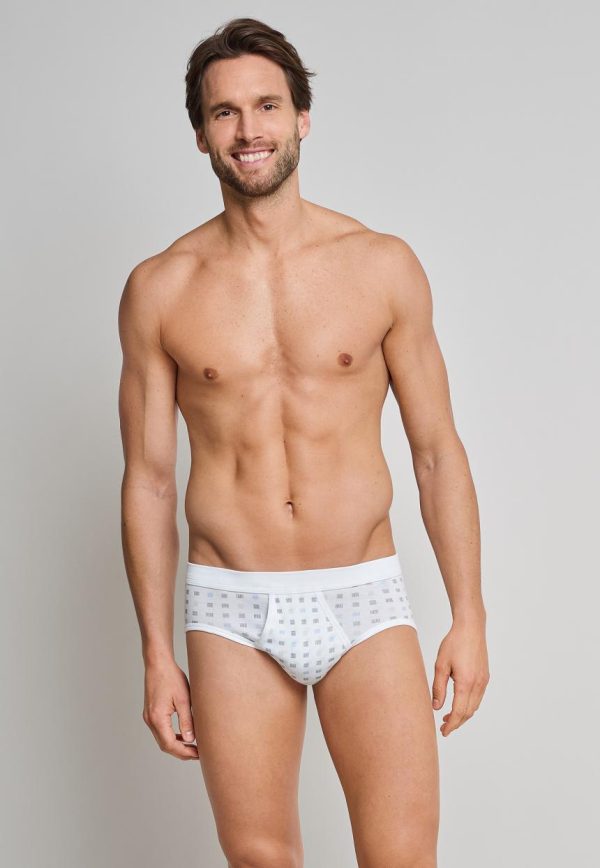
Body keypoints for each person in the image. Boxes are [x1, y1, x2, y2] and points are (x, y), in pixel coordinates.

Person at [118, 16, 489, 868]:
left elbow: (437, 453)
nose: (248, 130)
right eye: (224, 112)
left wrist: (469, 616)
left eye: (267, 106)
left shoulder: (381, 265)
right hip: (231, 605)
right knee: (261, 862)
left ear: (302, 118)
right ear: (201, 133)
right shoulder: (160, 289)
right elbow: (147, 480)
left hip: (362, 594)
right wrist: (156, 655)